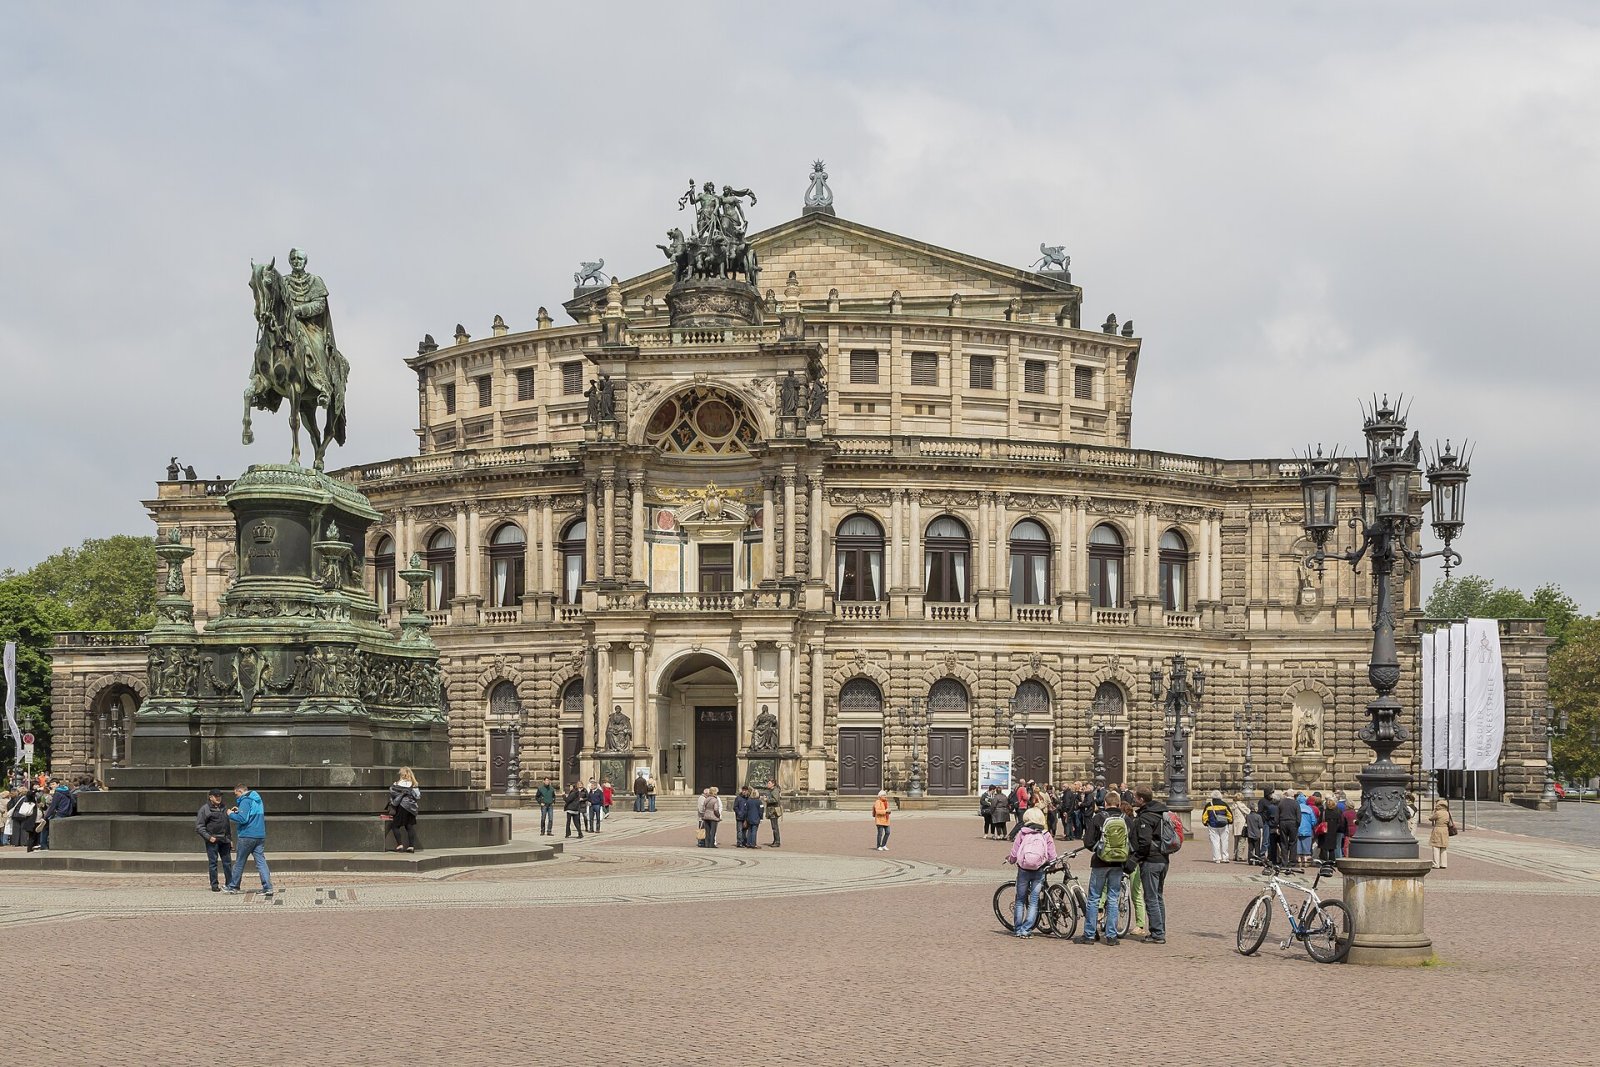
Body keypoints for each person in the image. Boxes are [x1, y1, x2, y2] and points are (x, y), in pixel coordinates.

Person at [1080, 793, 1130, 945]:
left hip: (1100, 862)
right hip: (1118, 863)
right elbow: (1132, 842)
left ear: (1106, 803)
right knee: (1113, 899)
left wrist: (1098, 849)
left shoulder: (1098, 817)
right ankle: (1111, 936)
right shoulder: (1126, 819)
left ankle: (1089, 935)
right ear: (1119, 803)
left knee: (1094, 898)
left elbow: (1088, 841)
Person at [1005, 807, 1057, 938]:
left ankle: (1018, 929)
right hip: (1039, 869)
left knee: (1020, 900)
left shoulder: (1023, 833)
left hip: (1023, 869)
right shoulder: (1045, 834)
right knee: (1034, 900)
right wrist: (1052, 864)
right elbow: (1052, 854)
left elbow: (1015, 852)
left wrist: (1011, 860)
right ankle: (1026, 929)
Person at [1132, 785, 1171, 944]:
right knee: (1158, 896)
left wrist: (1136, 858)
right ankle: (1160, 928)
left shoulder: (1146, 817)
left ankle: (1157, 933)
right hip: (1163, 859)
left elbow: (1145, 842)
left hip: (1151, 861)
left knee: (1151, 897)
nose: (1133, 800)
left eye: (1135, 797)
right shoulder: (1161, 813)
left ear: (1141, 799)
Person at [225, 783, 273, 898]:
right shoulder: (257, 800)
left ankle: (233, 886)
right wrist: (239, 810)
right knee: (261, 862)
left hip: (247, 835)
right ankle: (268, 887)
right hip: (260, 835)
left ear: (240, 791)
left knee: (240, 862)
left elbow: (243, 819)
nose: (236, 797)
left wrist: (230, 814)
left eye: (236, 794)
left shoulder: (245, 800)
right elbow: (250, 815)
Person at [195, 788, 234, 892]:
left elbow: (227, 825)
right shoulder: (205, 809)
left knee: (227, 863)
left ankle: (230, 884)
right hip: (213, 840)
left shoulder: (224, 807)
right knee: (213, 863)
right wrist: (208, 837)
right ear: (210, 797)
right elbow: (199, 827)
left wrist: (230, 839)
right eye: (216, 796)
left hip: (225, 840)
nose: (218, 798)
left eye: (220, 796)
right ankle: (214, 885)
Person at [388, 767, 421, 853]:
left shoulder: (397, 784)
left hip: (402, 807)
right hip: (411, 809)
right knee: (409, 826)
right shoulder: (413, 784)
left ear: (402, 774)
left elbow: (392, 792)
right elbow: (418, 796)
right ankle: (411, 846)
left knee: (395, 826)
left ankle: (399, 845)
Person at [1201, 790, 1233, 863]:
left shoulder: (1209, 805)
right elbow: (1230, 815)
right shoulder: (1224, 804)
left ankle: (1217, 858)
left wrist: (1206, 823)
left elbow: (1204, 817)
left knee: (1215, 842)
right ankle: (1225, 857)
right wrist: (1229, 821)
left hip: (1213, 825)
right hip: (1223, 825)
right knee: (1225, 842)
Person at [7, 783, 41, 851]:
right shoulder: (27, 798)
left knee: (16, 829)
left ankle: (15, 842)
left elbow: (10, 805)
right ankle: (23, 842)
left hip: (16, 815)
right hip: (24, 814)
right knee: (23, 830)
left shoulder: (15, 798)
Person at [1315, 794, 1343, 868]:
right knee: (1332, 848)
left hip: (1325, 831)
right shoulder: (1338, 811)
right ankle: (1332, 861)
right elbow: (1340, 822)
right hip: (1333, 831)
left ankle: (1324, 861)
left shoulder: (1324, 812)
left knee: (1324, 847)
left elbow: (1320, 821)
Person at [1274, 789, 1300, 867]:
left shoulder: (1281, 803)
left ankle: (1284, 861)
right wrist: (1297, 825)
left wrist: (1277, 825)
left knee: (1283, 843)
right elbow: (1299, 816)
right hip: (1293, 823)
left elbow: (1277, 815)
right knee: (1293, 842)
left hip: (1283, 823)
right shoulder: (1296, 803)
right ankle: (1292, 861)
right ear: (1292, 795)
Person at [1429, 798, 1456, 869]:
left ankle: (1436, 863)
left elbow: (1430, 818)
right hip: (1445, 830)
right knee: (1443, 847)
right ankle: (1444, 864)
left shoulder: (1438, 813)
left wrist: (1433, 812)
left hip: (1438, 829)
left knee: (1436, 846)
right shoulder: (1447, 813)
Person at [1296, 792, 1316, 863]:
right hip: (1307, 829)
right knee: (1306, 845)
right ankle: (1305, 858)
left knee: (1298, 844)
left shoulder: (1296, 808)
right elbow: (1313, 820)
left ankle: (1298, 858)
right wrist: (1311, 825)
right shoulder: (1309, 809)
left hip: (1297, 829)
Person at [764, 778, 783, 848]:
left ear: (773, 784)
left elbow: (775, 800)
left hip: (774, 811)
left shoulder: (775, 791)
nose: (767, 784)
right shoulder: (770, 790)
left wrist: (767, 800)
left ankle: (777, 841)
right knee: (773, 827)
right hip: (771, 811)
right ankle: (775, 840)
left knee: (775, 827)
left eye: (769, 783)